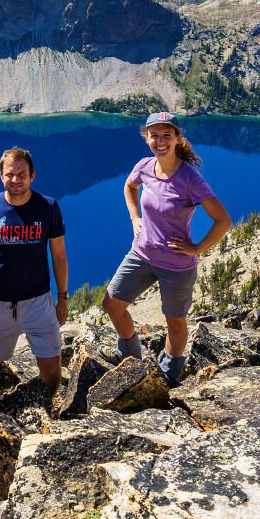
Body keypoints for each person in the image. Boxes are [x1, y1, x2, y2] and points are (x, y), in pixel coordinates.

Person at [103, 112, 232, 387]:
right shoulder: (145, 166)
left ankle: (169, 374)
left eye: (166, 136)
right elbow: (129, 186)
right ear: (146, 137)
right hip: (142, 253)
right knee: (111, 303)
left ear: (177, 138)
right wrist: (134, 218)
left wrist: (196, 248)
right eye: (154, 136)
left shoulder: (189, 178)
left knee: (174, 321)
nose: (160, 141)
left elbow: (223, 221)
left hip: (176, 264)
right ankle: (129, 355)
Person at [0, 147, 69, 398]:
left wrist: (63, 297)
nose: (15, 180)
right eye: (9, 174)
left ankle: (44, 411)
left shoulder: (48, 207)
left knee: (51, 365)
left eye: (21, 174)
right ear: (1, 176)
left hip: (38, 300)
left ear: (32, 176)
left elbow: (58, 256)